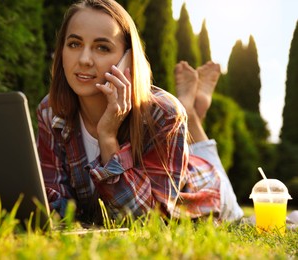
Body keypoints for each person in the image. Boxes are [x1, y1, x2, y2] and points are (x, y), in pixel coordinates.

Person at [37, 0, 243, 225]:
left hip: (204, 189)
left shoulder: (163, 113)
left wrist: (107, 137)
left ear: (128, 60)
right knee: (188, 134)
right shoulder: (52, 112)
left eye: (102, 47)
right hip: (180, 158)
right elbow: (53, 194)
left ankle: (192, 112)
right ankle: (193, 109)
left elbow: (150, 221)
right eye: (74, 44)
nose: (84, 60)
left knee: (229, 200)